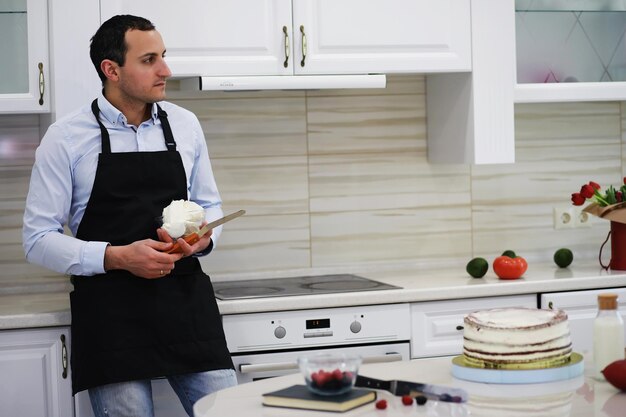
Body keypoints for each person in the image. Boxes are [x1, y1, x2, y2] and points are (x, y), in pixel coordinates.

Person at [22, 15, 236, 417]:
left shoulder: (185, 125)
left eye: (164, 56)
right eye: (149, 59)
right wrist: (119, 257)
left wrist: (203, 238)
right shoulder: (66, 137)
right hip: (110, 314)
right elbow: (37, 239)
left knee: (231, 412)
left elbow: (211, 206)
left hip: (186, 305)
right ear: (112, 70)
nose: (166, 70)